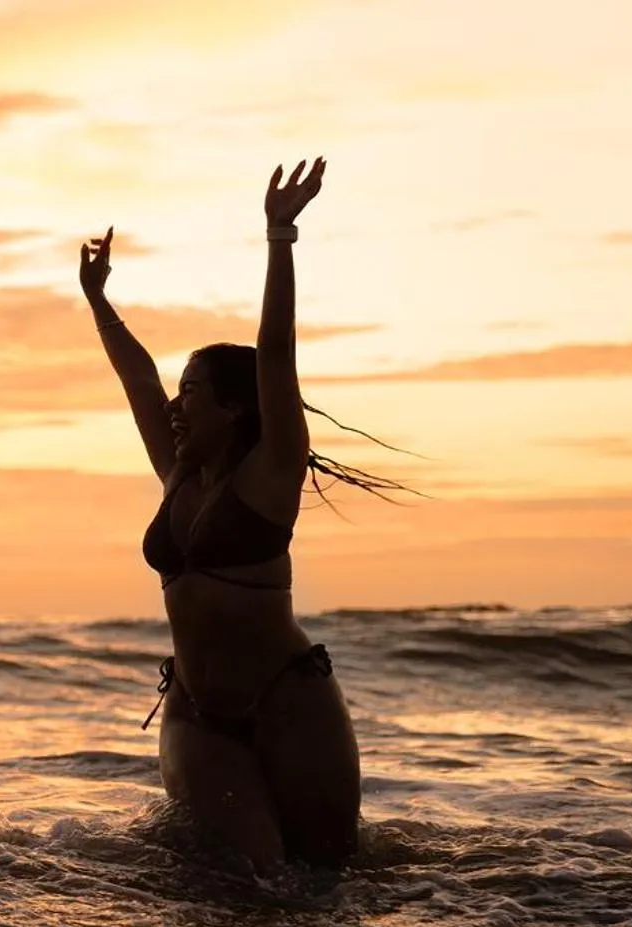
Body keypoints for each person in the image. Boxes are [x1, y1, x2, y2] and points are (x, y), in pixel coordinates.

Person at [80, 158, 402, 872]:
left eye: (190, 392)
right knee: (251, 886)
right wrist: (98, 299)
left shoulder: (271, 474)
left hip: (291, 702)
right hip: (197, 712)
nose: (174, 404)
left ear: (232, 407)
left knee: (325, 886)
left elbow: (277, 355)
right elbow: (136, 375)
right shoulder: (178, 470)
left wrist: (279, 236)